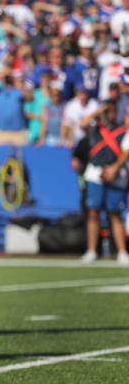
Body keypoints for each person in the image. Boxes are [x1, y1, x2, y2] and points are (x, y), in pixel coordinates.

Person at [78, 101, 129, 265]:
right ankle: (92, 250)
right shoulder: (96, 128)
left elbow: (125, 152)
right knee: (93, 212)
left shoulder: (123, 130)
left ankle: (122, 252)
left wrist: (114, 169)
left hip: (115, 175)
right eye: (107, 112)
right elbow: (82, 124)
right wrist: (98, 112)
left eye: (112, 111)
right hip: (95, 174)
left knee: (115, 214)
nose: (109, 114)